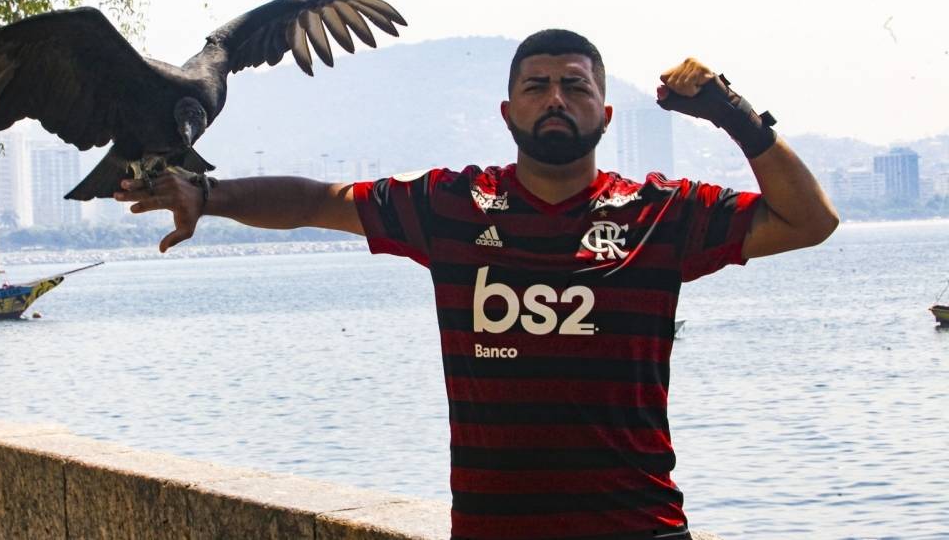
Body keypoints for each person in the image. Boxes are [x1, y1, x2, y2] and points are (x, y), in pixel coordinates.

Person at [113, 30, 838, 540]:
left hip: (637, 526)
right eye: (537, 86)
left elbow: (811, 220)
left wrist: (732, 113)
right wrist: (208, 195)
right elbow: (312, 200)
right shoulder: (450, 205)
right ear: (508, 111)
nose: (556, 97)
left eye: (575, 86)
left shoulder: (661, 212)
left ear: (605, 114)